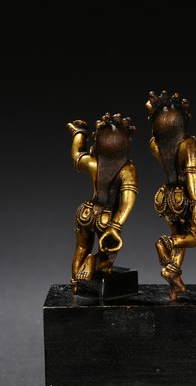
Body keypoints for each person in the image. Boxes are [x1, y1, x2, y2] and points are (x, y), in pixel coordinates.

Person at [146, 91, 196, 300]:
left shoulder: (156, 145)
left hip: (165, 197)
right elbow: (192, 175)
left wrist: (154, 112)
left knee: (180, 236)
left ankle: (172, 275)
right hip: (183, 197)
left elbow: (156, 133)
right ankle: (164, 243)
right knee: (194, 237)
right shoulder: (188, 144)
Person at [66, 113, 138, 293]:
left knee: (81, 248)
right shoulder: (127, 170)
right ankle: (96, 262)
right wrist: (116, 225)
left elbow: (76, 155)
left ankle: (76, 283)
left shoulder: (93, 163)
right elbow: (128, 201)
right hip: (107, 217)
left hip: (86, 211)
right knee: (109, 253)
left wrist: (79, 133)